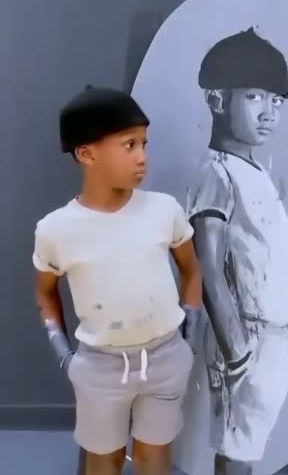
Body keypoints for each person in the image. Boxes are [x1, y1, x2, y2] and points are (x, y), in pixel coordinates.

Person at [33, 86, 202, 475]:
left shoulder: (164, 211)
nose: (142, 156)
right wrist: (66, 358)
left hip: (166, 359)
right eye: (129, 145)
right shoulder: (56, 230)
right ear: (87, 154)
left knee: (153, 459)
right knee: (103, 460)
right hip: (100, 367)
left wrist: (188, 343)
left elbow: (192, 271)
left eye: (144, 143)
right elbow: (45, 293)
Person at [187, 28, 288, 475]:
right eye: (255, 97)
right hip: (246, 340)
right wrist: (237, 353)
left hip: (274, 337)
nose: (269, 112)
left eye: (277, 101)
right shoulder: (217, 174)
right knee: (238, 446)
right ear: (217, 100)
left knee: (251, 444)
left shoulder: (254, 171)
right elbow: (209, 271)